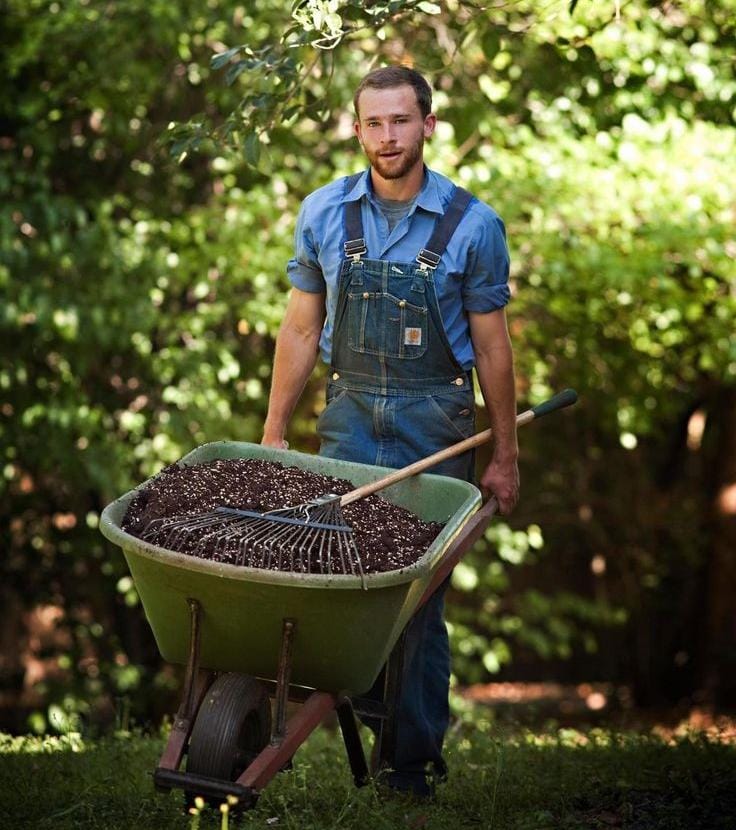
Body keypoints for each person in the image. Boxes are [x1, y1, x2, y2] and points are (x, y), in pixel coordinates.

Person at [262, 65, 519, 796]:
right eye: (373, 123)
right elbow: (302, 327)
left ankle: (409, 764)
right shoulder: (323, 213)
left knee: (417, 598)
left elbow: (494, 349)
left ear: (428, 125)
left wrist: (506, 454)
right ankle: (372, 718)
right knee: (342, 583)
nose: (387, 138)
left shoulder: (473, 225)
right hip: (347, 422)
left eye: (400, 121)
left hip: (435, 427)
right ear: (356, 128)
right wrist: (274, 429)